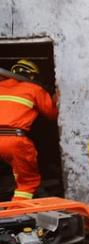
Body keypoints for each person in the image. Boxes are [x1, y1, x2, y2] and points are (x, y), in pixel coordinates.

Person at [0, 59, 58, 201]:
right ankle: (17, 215)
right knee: (27, 182)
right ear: (33, 76)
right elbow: (52, 115)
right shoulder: (34, 89)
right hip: (14, 140)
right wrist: (55, 99)